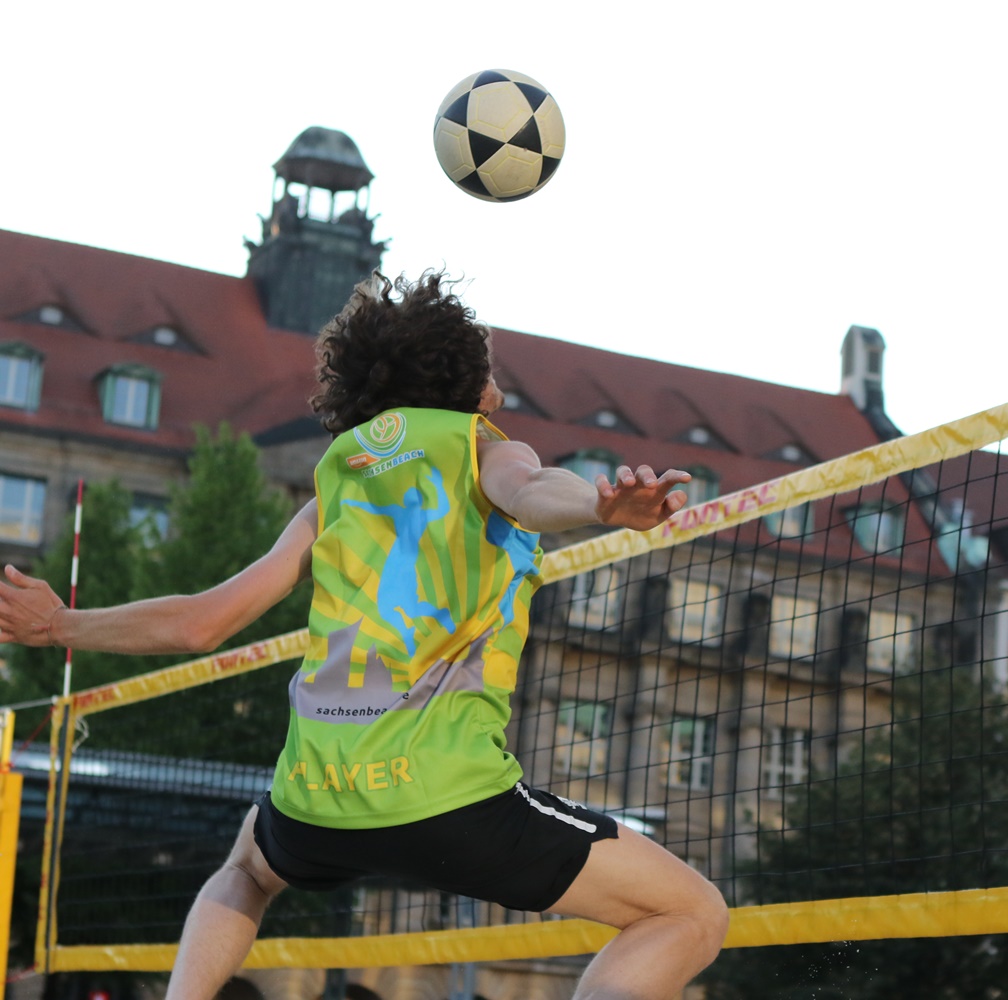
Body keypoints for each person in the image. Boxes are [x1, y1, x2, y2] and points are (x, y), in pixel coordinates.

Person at [0, 272, 729, 1000]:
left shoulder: (337, 484)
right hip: (449, 800)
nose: (499, 384)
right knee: (690, 912)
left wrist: (59, 623)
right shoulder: (480, 448)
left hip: (314, 801)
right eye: (489, 366)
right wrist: (601, 507)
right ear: (464, 378)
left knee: (246, 869)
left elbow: (203, 621)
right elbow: (532, 492)